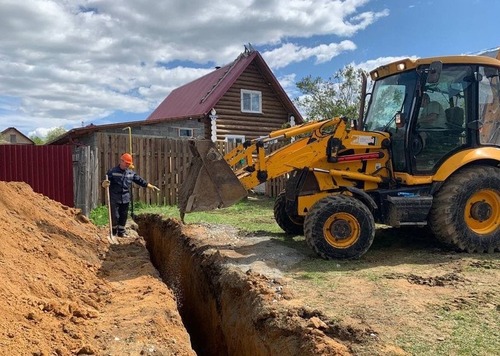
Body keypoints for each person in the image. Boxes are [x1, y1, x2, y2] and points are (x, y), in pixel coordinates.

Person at [102, 153, 160, 237]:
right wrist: (104, 184)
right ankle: (114, 231)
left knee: (124, 215)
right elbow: (105, 182)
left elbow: (139, 180)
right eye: (126, 163)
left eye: (129, 164)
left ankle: (121, 231)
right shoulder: (112, 172)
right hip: (115, 197)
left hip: (125, 197)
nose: (127, 165)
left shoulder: (130, 173)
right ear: (121, 161)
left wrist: (149, 186)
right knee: (115, 216)